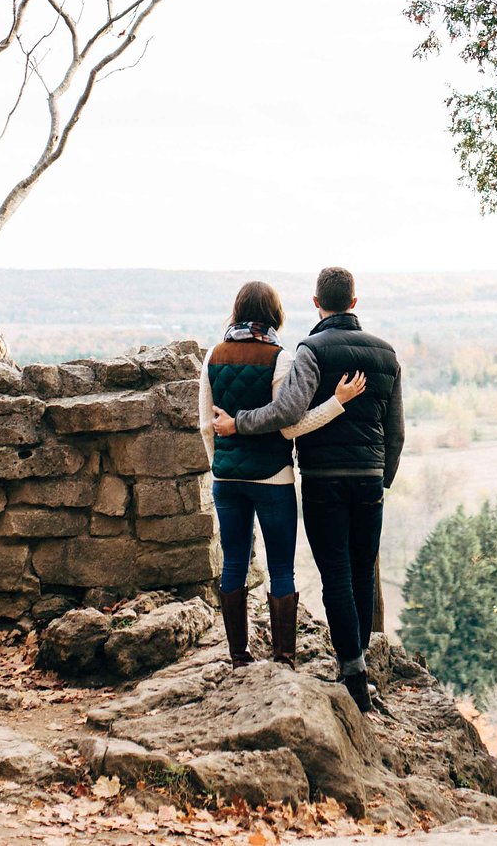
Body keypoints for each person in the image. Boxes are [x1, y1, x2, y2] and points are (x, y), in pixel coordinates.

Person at [214, 266, 402, 713]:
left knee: (336, 573)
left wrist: (236, 424)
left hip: (321, 480)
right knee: (360, 571)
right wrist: (382, 478)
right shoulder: (387, 354)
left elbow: (287, 414)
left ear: (316, 303)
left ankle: (353, 670)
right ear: (353, 303)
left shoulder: (310, 350)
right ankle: (355, 668)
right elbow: (395, 433)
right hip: (369, 479)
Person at [198, 280, 367, 667]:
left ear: (237, 310)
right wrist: (335, 404)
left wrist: (220, 464)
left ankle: (239, 658)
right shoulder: (281, 358)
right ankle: (284, 659)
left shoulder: (213, 356)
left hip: (226, 480)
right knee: (280, 568)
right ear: (275, 314)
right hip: (274, 478)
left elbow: (206, 425)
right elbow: (289, 426)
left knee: (234, 564)